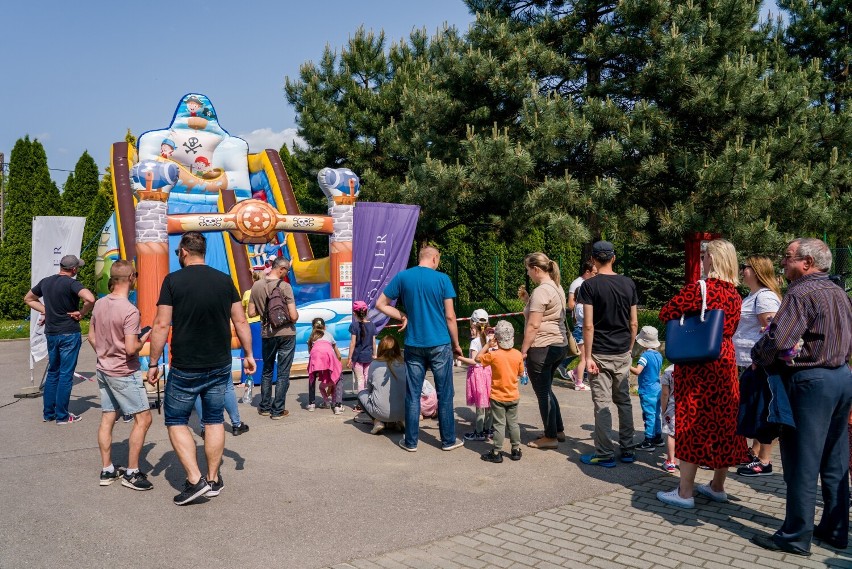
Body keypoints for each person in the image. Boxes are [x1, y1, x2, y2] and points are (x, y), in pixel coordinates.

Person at [750, 238, 852, 555]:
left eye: (788, 257)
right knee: (835, 461)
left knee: (801, 462)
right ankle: (835, 530)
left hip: (810, 383)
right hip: (842, 378)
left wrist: (758, 354)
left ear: (806, 263)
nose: (783, 263)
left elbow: (779, 338)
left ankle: (795, 535)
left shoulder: (801, 291)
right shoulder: (839, 291)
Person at [147, 232, 256, 506]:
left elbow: (161, 325)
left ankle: (196, 481)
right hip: (220, 364)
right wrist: (249, 354)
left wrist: (152, 362)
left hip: (186, 366)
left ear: (184, 251)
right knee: (214, 420)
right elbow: (241, 321)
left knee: (175, 421)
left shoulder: (173, 281)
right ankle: (214, 478)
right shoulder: (224, 280)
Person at [656, 238, 747, 508]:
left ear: (713, 260)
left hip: (698, 365)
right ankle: (717, 486)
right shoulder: (734, 294)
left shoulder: (701, 289)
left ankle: (685, 493)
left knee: (691, 421)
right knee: (724, 423)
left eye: (706, 256)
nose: (703, 260)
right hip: (725, 361)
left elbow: (666, 311)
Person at [376, 245, 464, 452]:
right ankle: (448, 440)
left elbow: (381, 303)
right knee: (445, 393)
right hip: (440, 343)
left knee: (413, 394)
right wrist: (456, 345)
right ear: (434, 258)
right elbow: (450, 316)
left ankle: (411, 441)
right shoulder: (443, 279)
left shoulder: (403, 277)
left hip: (414, 343)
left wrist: (402, 315)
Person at [88, 261, 153, 490]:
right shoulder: (130, 310)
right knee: (143, 419)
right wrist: (145, 336)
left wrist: (105, 353)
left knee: (108, 417)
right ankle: (132, 472)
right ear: (132, 277)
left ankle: (107, 470)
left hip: (104, 368)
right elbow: (131, 348)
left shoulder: (99, 304)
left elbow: (91, 338)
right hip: (124, 371)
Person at [577, 241, 639, 467]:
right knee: (624, 401)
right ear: (614, 258)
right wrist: (630, 347)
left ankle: (604, 452)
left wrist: (588, 356)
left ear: (593, 260)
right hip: (623, 351)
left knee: (602, 403)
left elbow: (589, 325)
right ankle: (628, 449)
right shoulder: (628, 284)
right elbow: (634, 323)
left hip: (600, 353)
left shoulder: (589, 287)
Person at [24, 254, 96, 424]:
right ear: (74, 269)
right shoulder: (72, 283)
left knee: (53, 372)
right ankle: (63, 416)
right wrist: (83, 312)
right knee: (66, 374)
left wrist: (46, 309)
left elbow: (28, 298)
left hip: (51, 332)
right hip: (69, 332)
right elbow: (90, 298)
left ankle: (49, 414)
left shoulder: (46, 281)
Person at [732, 255, 782, 477]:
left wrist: (758, 360)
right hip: (749, 362)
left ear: (757, 270)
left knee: (762, 410)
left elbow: (771, 332)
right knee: (754, 409)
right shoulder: (754, 296)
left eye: (746, 267)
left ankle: (764, 460)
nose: (743, 270)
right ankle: (755, 454)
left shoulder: (765, 298)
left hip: (758, 364)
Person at [518, 252, 569, 450]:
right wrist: (527, 301)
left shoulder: (541, 291)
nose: (528, 274)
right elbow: (548, 313)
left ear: (536, 269)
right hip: (559, 344)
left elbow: (534, 325)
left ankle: (550, 437)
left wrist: (523, 350)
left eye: (529, 270)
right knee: (546, 388)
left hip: (542, 346)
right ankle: (558, 430)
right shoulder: (556, 287)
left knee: (542, 392)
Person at [248, 256, 298, 420]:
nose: (287, 273)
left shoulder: (256, 286)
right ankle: (277, 411)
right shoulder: (285, 287)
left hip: (267, 333)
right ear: (281, 269)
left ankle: (264, 407)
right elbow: (293, 315)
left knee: (267, 370)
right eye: (287, 270)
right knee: (283, 373)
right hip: (286, 334)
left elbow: (251, 313)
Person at [477, 321, 526, 463]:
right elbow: (521, 372)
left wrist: (487, 345)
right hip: (513, 395)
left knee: (499, 425)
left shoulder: (493, 355)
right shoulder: (517, 355)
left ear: (496, 339)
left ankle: (497, 451)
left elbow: (477, 358)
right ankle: (516, 449)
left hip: (497, 396)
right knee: (514, 423)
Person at [559, 260, 597, 390]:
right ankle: (578, 382)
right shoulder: (581, 305)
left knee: (584, 357)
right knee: (584, 358)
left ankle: (575, 373)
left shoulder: (580, 306)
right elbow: (587, 319)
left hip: (580, 329)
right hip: (581, 331)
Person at [456, 309, 493, 441]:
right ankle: (489, 430)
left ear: (473, 324)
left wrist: (459, 358)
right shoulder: (491, 340)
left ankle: (478, 432)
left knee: (480, 405)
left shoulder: (474, 342)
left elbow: (473, 361)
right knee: (489, 403)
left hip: (478, 375)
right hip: (489, 373)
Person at [358, 336, 407, 435]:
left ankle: (377, 421)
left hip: (381, 412)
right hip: (405, 411)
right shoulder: (404, 363)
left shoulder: (375, 364)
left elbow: (370, 388)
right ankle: (400, 420)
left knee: (361, 394)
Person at [630, 326, 664, 451]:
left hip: (647, 390)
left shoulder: (644, 356)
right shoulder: (659, 356)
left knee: (648, 415)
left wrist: (628, 365)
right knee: (656, 414)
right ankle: (658, 437)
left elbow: (638, 371)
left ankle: (648, 441)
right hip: (657, 389)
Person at [306, 318, 343, 414]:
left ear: (312, 327)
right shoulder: (329, 335)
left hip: (316, 355)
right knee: (339, 377)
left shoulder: (311, 336)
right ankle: (337, 406)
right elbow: (338, 354)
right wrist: (337, 368)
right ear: (325, 327)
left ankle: (311, 404)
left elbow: (310, 352)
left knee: (312, 377)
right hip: (328, 354)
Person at [348, 300, 377, 412]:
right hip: (369, 357)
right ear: (366, 312)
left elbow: (353, 343)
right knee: (367, 378)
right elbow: (374, 343)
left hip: (358, 358)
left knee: (360, 380)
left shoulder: (354, 326)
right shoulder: (372, 325)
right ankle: (369, 402)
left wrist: (350, 358)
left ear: (354, 313)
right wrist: (375, 354)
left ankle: (361, 404)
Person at [660, 365, 677, 472]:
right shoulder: (691, 367)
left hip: (672, 407)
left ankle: (670, 462)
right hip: (689, 406)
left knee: (671, 434)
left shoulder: (668, 371)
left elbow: (665, 394)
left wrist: (664, 408)